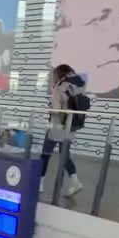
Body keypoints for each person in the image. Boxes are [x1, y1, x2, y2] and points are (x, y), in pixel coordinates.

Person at [41, 63, 88, 197]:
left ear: (59, 74)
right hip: (71, 126)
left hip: (57, 126)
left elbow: (56, 110)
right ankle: (75, 181)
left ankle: (39, 182)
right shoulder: (78, 86)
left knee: (45, 153)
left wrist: (49, 107)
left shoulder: (58, 87)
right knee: (64, 154)